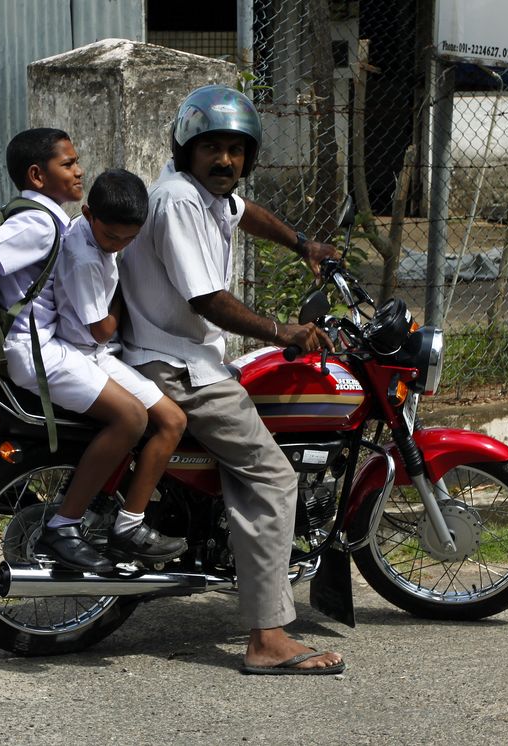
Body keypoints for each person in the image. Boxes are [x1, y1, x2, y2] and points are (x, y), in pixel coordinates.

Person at [119, 85, 345, 675]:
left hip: (189, 356)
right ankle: (267, 638)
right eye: (212, 148)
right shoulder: (178, 203)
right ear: (186, 149)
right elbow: (209, 300)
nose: (226, 160)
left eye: (236, 150)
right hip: (176, 365)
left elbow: (250, 215)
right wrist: (284, 332)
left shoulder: (213, 197)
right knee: (272, 476)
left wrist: (305, 245)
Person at [0, 128, 177, 573]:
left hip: (54, 348)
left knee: (163, 418)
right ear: (36, 175)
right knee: (131, 418)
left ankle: (118, 517)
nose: (79, 169)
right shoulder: (40, 223)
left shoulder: (61, 220)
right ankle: (65, 525)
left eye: (77, 160)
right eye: (67, 163)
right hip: (40, 352)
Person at [53, 168, 188, 565]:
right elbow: (100, 330)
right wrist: (124, 294)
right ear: (88, 212)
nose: (119, 246)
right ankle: (99, 520)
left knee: (172, 421)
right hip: (85, 352)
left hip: (100, 353)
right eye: (112, 237)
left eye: (129, 239)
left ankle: (124, 515)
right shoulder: (84, 259)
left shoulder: (98, 238)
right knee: (152, 421)